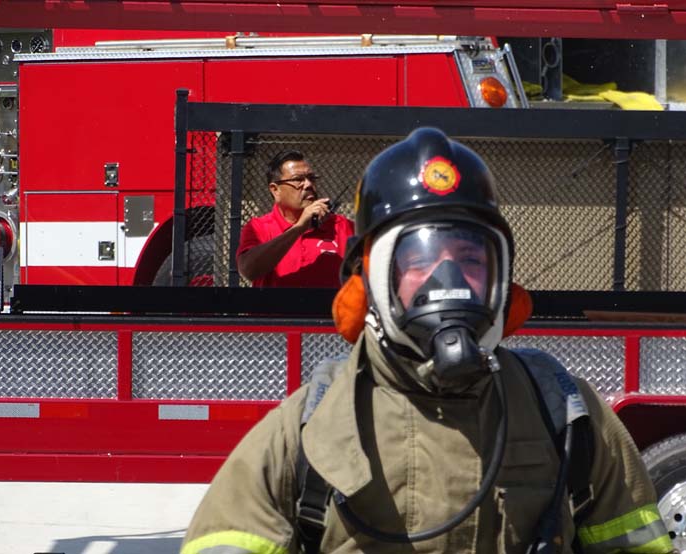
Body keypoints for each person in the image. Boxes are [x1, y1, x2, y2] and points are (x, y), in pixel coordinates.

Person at [181, 128, 673, 554]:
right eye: (419, 260)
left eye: (470, 257)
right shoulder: (308, 429)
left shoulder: (567, 415)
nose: (448, 279)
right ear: (370, 282)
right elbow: (249, 267)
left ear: (500, 279)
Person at [236, 150, 354, 288]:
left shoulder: (341, 226)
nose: (308, 185)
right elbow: (248, 270)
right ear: (275, 190)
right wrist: (299, 228)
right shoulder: (259, 227)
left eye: (311, 178)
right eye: (298, 179)